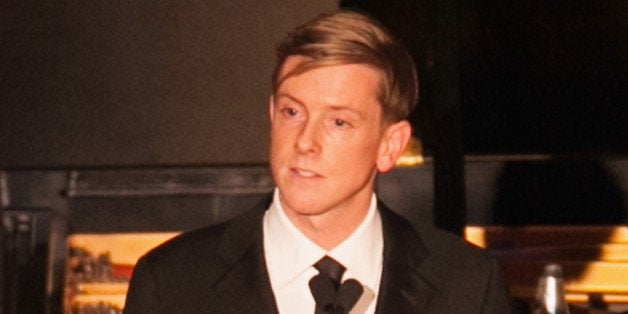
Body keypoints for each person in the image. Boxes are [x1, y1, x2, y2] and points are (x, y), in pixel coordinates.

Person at [124, 10, 511, 314]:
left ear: (390, 145)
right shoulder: (172, 282)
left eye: (338, 122)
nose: (305, 142)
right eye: (293, 112)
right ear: (272, 113)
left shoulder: (467, 284)